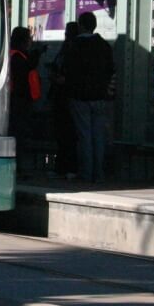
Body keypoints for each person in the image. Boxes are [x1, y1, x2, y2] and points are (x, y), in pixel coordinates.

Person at [63, 11, 114, 183]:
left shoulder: (74, 46)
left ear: (81, 25)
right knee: (98, 136)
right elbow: (110, 70)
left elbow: (67, 71)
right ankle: (98, 173)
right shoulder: (104, 45)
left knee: (84, 136)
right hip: (99, 96)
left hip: (79, 96)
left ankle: (86, 173)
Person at [9, 26, 42, 175]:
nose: (30, 42)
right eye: (29, 39)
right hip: (19, 102)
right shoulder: (17, 57)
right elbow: (25, 71)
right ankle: (19, 168)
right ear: (22, 41)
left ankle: (19, 167)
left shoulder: (18, 55)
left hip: (19, 101)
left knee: (19, 134)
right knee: (19, 135)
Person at [48, 22, 79, 178]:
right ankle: (64, 167)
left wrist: (61, 79)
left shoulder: (71, 50)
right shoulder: (67, 50)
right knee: (64, 133)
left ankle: (68, 167)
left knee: (67, 134)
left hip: (67, 95)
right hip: (62, 96)